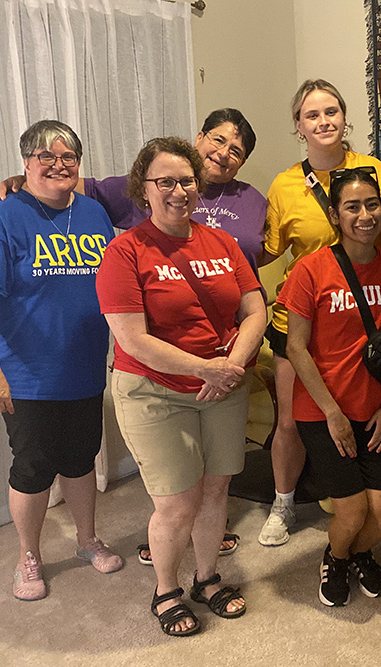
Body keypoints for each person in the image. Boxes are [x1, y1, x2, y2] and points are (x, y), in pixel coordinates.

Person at [0, 108, 265, 562]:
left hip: (224, 358)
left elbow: (257, 272)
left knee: (209, 483)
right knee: (165, 490)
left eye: (236, 150)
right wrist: (25, 179)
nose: (224, 153)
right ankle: (154, 555)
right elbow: (69, 181)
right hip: (153, 371)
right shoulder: (126, 234)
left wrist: (231, 363)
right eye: (218, 140)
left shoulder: (250, 201)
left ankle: (200, 543)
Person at [96, 137, 267, 637]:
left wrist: (230, 366)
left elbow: (255, 310)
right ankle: (165, 589)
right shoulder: (125, 251)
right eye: (164, 181)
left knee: (216, 490)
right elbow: (132, 337)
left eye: (186, 180)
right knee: (177, 502)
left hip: (223, 384)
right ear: (142, 189)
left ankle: (207, 578)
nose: (177, 190)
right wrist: (205, 369)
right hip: (155, 390)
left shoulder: (222, 243)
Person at [0, 120, 123, 602]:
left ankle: (86, 539)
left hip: (86, 368)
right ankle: (27, 556)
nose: (58, 165)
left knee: (80, 460)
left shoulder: (94, 214)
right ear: (24, 164)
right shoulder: (2, 219)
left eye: (68, 156)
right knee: (32, 468)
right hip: (26, 375)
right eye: (45, 157)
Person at [258, 79, 381, 547]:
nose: (323, 121)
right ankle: (283, 501)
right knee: (291, 420)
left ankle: (352, 494)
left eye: (331, 111)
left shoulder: (372, 168)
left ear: (344, 115)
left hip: (359, 319)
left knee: (362, 410)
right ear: (299, 125)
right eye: (312, 115)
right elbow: (268, 248)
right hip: (301, 320)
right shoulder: (284, 184)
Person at [279, 169, 381, 606]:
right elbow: (296, 348)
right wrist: (332, 413)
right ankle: (335, 557)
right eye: (352, 207)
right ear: (335, 214)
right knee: (352, 511)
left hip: (376, 409)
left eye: (372, 204)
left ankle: (357, 554)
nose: (365, 214)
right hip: (322, 408)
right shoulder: (309, 269)